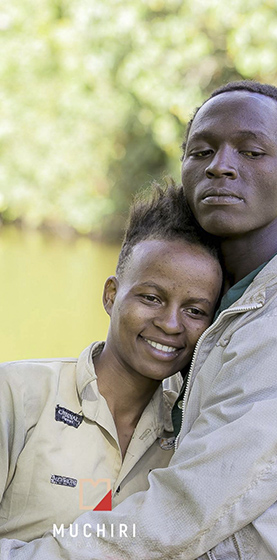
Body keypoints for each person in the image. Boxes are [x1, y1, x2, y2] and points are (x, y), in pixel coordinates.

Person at [0, 82, 277, 560]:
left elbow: (184, 511)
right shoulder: (238, 310)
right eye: (202, 151)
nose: (220, 166)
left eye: (252, 152)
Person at [0, 183, 222, 540]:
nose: (170, 323)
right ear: (111, 294)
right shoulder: (18, 394)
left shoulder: (191, 433)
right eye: (151, 298)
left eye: (195, 310)